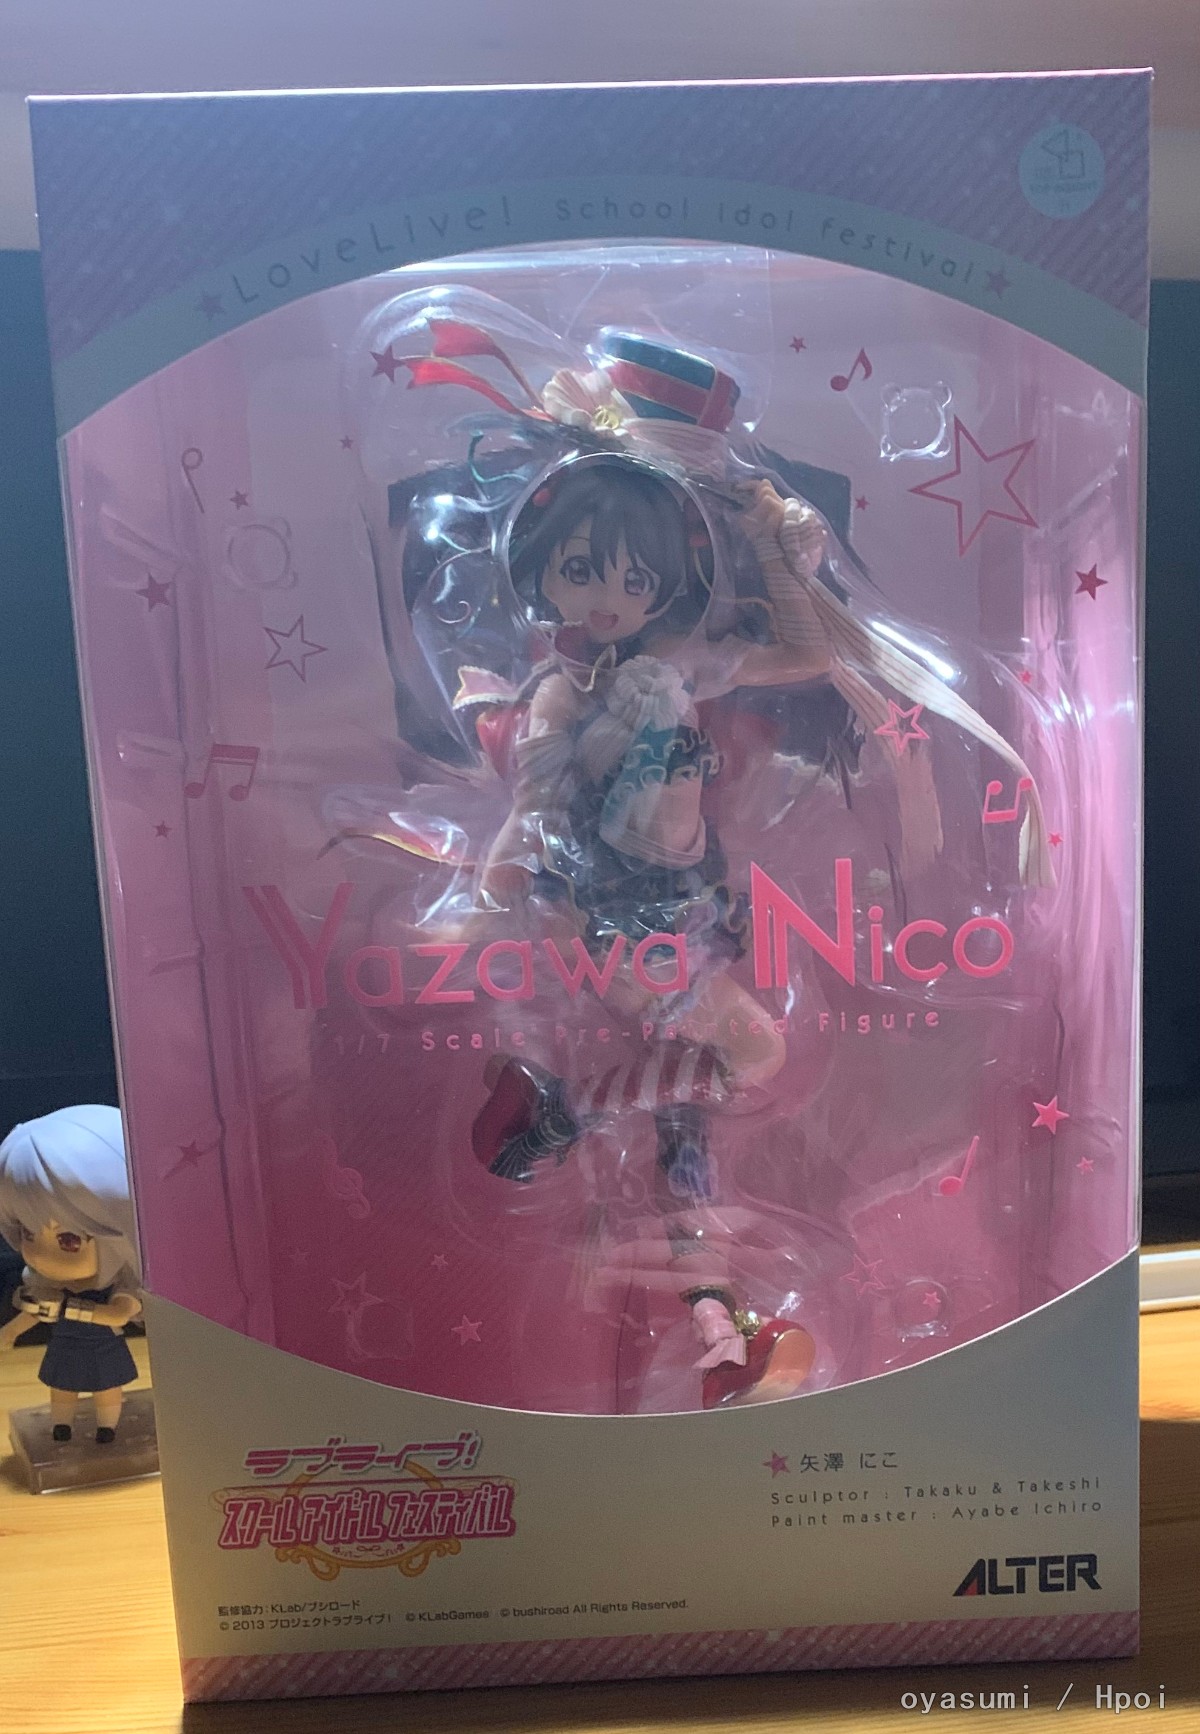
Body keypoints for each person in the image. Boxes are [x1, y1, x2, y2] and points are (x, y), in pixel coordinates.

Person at [0, 1106, 141, 1444]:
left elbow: (120, 1313)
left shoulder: (118, 1283)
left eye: (68, 1240)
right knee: (62, 1385)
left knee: (107, 1386)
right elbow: (34, 1311)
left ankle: (107, 1428)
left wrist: (72, 1309)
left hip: (104, 1346)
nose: (41, 1255)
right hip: (66, 1346)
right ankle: (61, 1425)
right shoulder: (49, 1285)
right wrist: (9, 1333)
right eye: (28, 1233)